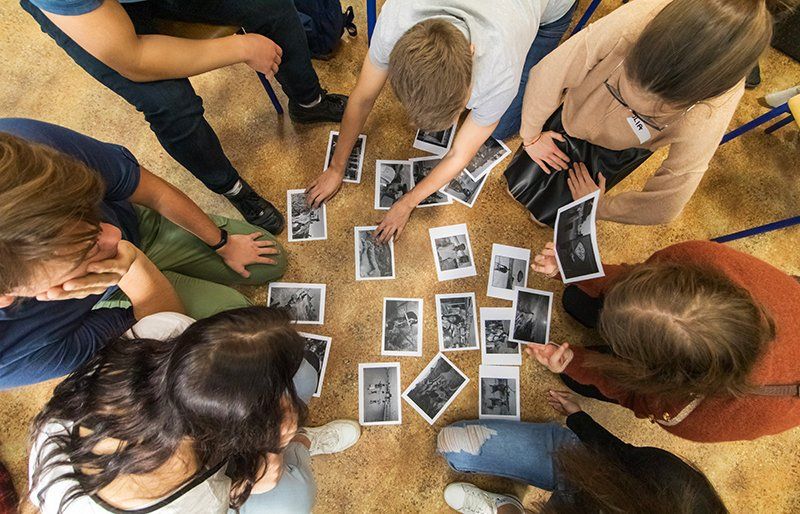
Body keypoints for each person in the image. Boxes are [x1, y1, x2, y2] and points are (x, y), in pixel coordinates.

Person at [0, 118, 286, 389]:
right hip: (119, 293)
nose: (112, 233)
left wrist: (221, 242)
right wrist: (131, 269)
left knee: (273, 261)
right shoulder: (11, 357)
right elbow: (158, 341)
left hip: (141, 225)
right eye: (85, 247)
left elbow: (151, 191)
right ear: (7, 295)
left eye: (89, 210)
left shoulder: (23, 156)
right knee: (238, 326)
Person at [21, 0, 349, 234]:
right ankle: (232, 188)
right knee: (171, 104)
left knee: (271, 6)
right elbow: (133, 58)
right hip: (95, 22)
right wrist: (242, 48)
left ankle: (309, 103)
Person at [28, 307, 361, 514]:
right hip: (193, 495)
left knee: (303, 374)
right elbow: (253, 484)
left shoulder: (163, 332)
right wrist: (273, 449)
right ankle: (302, 445)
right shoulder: (187, 501)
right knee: (291, 500)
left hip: (197, 445)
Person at [306, 0, 577, 241]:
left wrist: (408, 202)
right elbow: (362, 98)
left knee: (504, 128)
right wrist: (336, 167)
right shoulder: (396, 20)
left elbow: (460, 153)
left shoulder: (500, 71)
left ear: (472, 53)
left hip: (549, 11)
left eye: (460, 105)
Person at [504, 0, 782, 227]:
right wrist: (530, 136)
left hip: (619, 152)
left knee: (546, 214)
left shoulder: (711, 111)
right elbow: (549, 73)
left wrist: (603, 207)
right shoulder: (636, 19)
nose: (628, 109)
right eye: (620, 90)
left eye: (646, 115)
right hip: (572, 116)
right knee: (522, 179)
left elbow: (669, 200)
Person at [528, 239, 800, 442]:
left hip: (706, 393)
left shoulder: (689, 416)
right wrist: (575, 271)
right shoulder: (698, 257)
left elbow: (632, 395)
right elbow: (636, 276)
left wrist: (574, 363)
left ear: (652, 372)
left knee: (575, 378)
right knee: (576, 299)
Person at [437, 390, 728, 513]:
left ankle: (506, 508)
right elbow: (620, 452)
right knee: (451, 445)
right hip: (584, 468)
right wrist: (578, 418)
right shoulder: (676, 486)